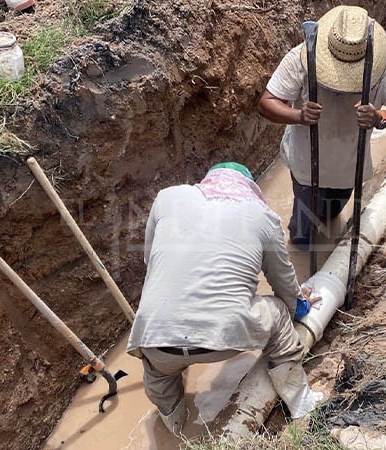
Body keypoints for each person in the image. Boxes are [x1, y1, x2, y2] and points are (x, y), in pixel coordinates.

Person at [127, 162, 322, 435]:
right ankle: (302, 403)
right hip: (225, 335)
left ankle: (176, 429)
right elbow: (285, 285)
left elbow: (152, 262)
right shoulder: (262, 216)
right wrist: (300, 308)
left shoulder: (166, 198)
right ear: (250, 189)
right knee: (278, 311)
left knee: (158, 376)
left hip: (154, 338)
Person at [258, 5, 386, 247]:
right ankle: (303, 244)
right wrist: (298, 116)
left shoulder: (383, 66)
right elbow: (267, 102)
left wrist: (380, 117)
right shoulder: (301, 58)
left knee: (331, 215)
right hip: (307, 166)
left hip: (349, 169)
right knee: (302, 236)